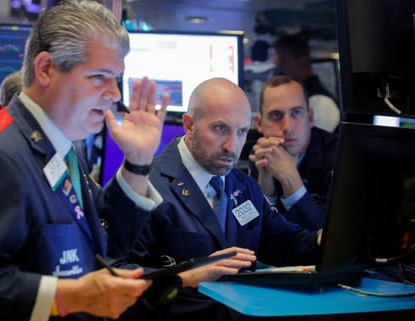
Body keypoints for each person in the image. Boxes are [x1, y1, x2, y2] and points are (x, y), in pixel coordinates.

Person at [0, 1, 169, 320]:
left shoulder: (61, 148)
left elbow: (105, 244)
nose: (115, 93)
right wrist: (70, 297)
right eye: (100, 76)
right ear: (46, 69)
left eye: (116, 78)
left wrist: (138, 161)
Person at [117, 77, 321, 321]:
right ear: (189, 125)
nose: (232, 146)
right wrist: (187, 275)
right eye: (220, 128)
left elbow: (285, 243)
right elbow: (118, 274)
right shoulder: (146, 185)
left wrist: (323, 240)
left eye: (242, 132)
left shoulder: (243, 186)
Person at [250, 75, 338, 230]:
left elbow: (328, 236)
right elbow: (255, 234)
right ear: (259, 124)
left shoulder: (337, 155)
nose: (287, 127)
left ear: (310, 118)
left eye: (296, 113)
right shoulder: (261, 153)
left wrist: (290, 178)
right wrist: (265, 187)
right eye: (276, 115)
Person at [272, 33, 340, 132]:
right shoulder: (300, 96)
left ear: (303, 61)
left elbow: (311, 144)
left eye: (284, 59)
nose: (279, 65)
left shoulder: (321, 102)